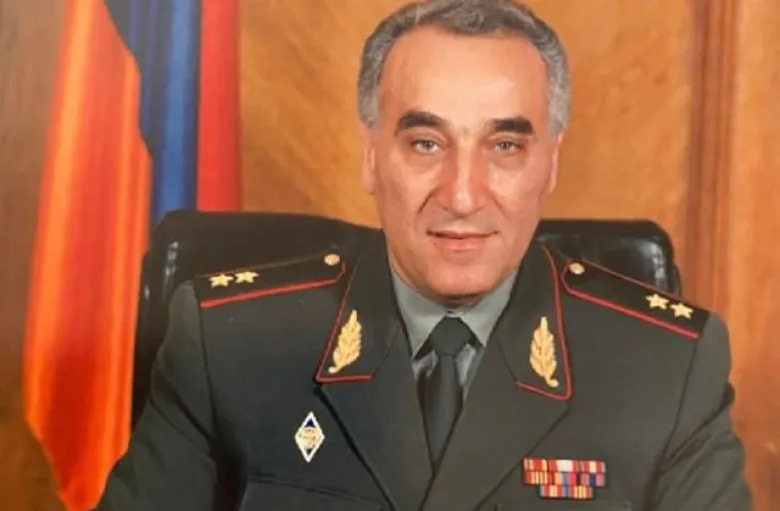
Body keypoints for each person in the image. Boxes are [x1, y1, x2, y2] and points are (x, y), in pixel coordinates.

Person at [95, 0, 753, 509]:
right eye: (426, 144)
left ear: (550, 163)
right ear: (371, 156)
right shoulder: (230, 344)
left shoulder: (664, 370)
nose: (462, 195)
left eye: (504, 146)